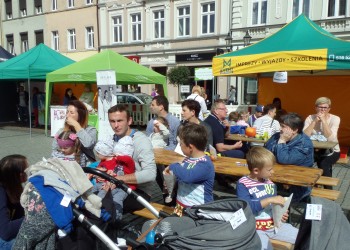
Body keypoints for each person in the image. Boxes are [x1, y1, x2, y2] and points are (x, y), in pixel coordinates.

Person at [237, 147, 298, 250]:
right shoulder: (243, 184)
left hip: (275, 226)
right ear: (256, 170)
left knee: (304, 237)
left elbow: (272, 208)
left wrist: (281, 213)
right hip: (255, 229)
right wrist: (270, 200)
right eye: (269, 169)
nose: (273, 172)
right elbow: (247, 208)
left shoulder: (270, 183)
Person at [108, 104, 156, 212]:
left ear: (129, 121)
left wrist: (118, 179)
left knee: (105, 204)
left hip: (139, 192)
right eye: (112, 121)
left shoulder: (140, 140)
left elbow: (151, 174)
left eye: (120, 121)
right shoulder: (112, 139)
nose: (116, 125)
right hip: (116, 186)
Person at [164, 123, 215, 217]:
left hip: (199, 211)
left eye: (181, 144)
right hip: (180, 207)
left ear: (190, 147)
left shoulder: (205, 164)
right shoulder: (187, 159)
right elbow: (182, 179)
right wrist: (171, 183)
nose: (179, 145)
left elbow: (187, 177)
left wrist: (173, 166)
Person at [265, 113, 314, 201]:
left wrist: (282, 141)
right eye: (280, 125)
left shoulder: (304, 143)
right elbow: (265, 152)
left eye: (283, 126)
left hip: (296, 183)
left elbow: (284, 160)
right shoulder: (277, 135)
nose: (280, 129)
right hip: (275, 176)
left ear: (294, 130)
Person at [93, 139, 135, 220]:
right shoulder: (103, 161)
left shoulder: (118, 161)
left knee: (117, 199)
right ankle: (90, 205)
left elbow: (128, 160)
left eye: (98, 153)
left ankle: (117, 216)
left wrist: (116, 156)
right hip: (105, 184)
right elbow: (99, 172)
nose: (97, 155)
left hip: (120, 187)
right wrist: (97, 176)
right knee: (92, 190)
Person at [303, 97, 340, 188]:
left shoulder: (335, 119)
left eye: (325, 108)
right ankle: (306, 186)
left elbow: (331, 139)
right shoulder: (310, 118)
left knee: (323, 164)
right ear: (316, 108)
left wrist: (324, 121)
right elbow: (304, 136)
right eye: (320, 107)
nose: (322, 110)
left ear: (329, 109)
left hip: (332, 150)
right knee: (304, 162)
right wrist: (314, 121)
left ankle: (328, 190)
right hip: (314, 149)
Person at [0, 154, 28, 250]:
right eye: (26, 169)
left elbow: (20, 215)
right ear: (18, 174)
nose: (29, 171)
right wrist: (33, 217)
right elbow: (6, 232)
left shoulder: (14, 187)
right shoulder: (1, 192)